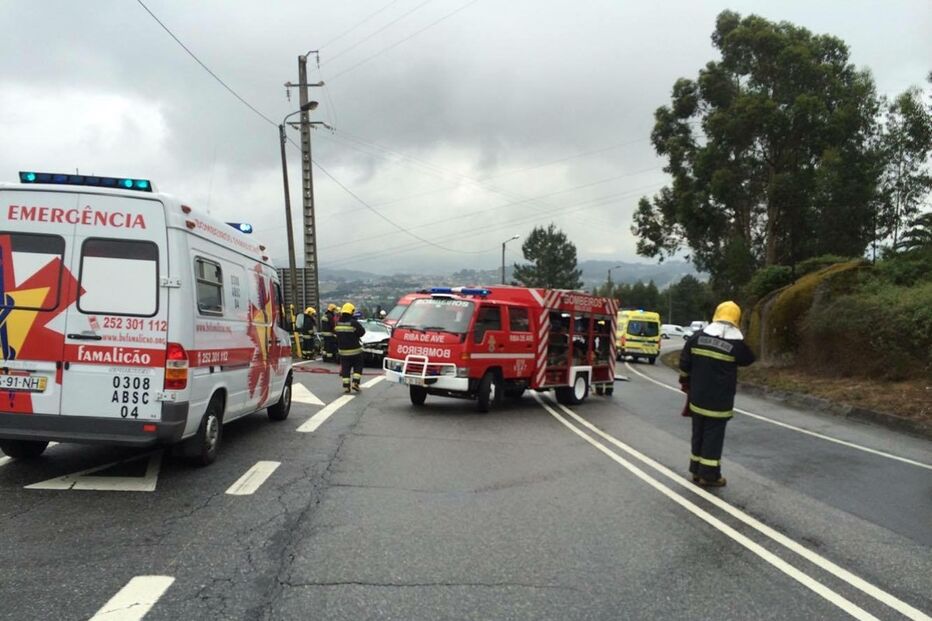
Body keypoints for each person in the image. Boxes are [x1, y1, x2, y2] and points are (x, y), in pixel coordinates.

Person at [679, 301, 755, 487]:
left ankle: (696, 471)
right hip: (719, 401)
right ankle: (710, 475)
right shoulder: (736, 346)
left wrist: (687, 382)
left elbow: (684, 364)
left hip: (697, 397)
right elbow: (749, 358)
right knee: (713, 436)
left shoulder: (696, 338)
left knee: (698, 433)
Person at [335, 302, 366, 393]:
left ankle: (346, 386)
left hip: (343, 352)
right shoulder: (354, 323)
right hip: (355, 351)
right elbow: (362, 333)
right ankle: (355, 383)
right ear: (351, 312)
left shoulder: (338, 324)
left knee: (345, 368)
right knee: (358, 366)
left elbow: (336, 335)